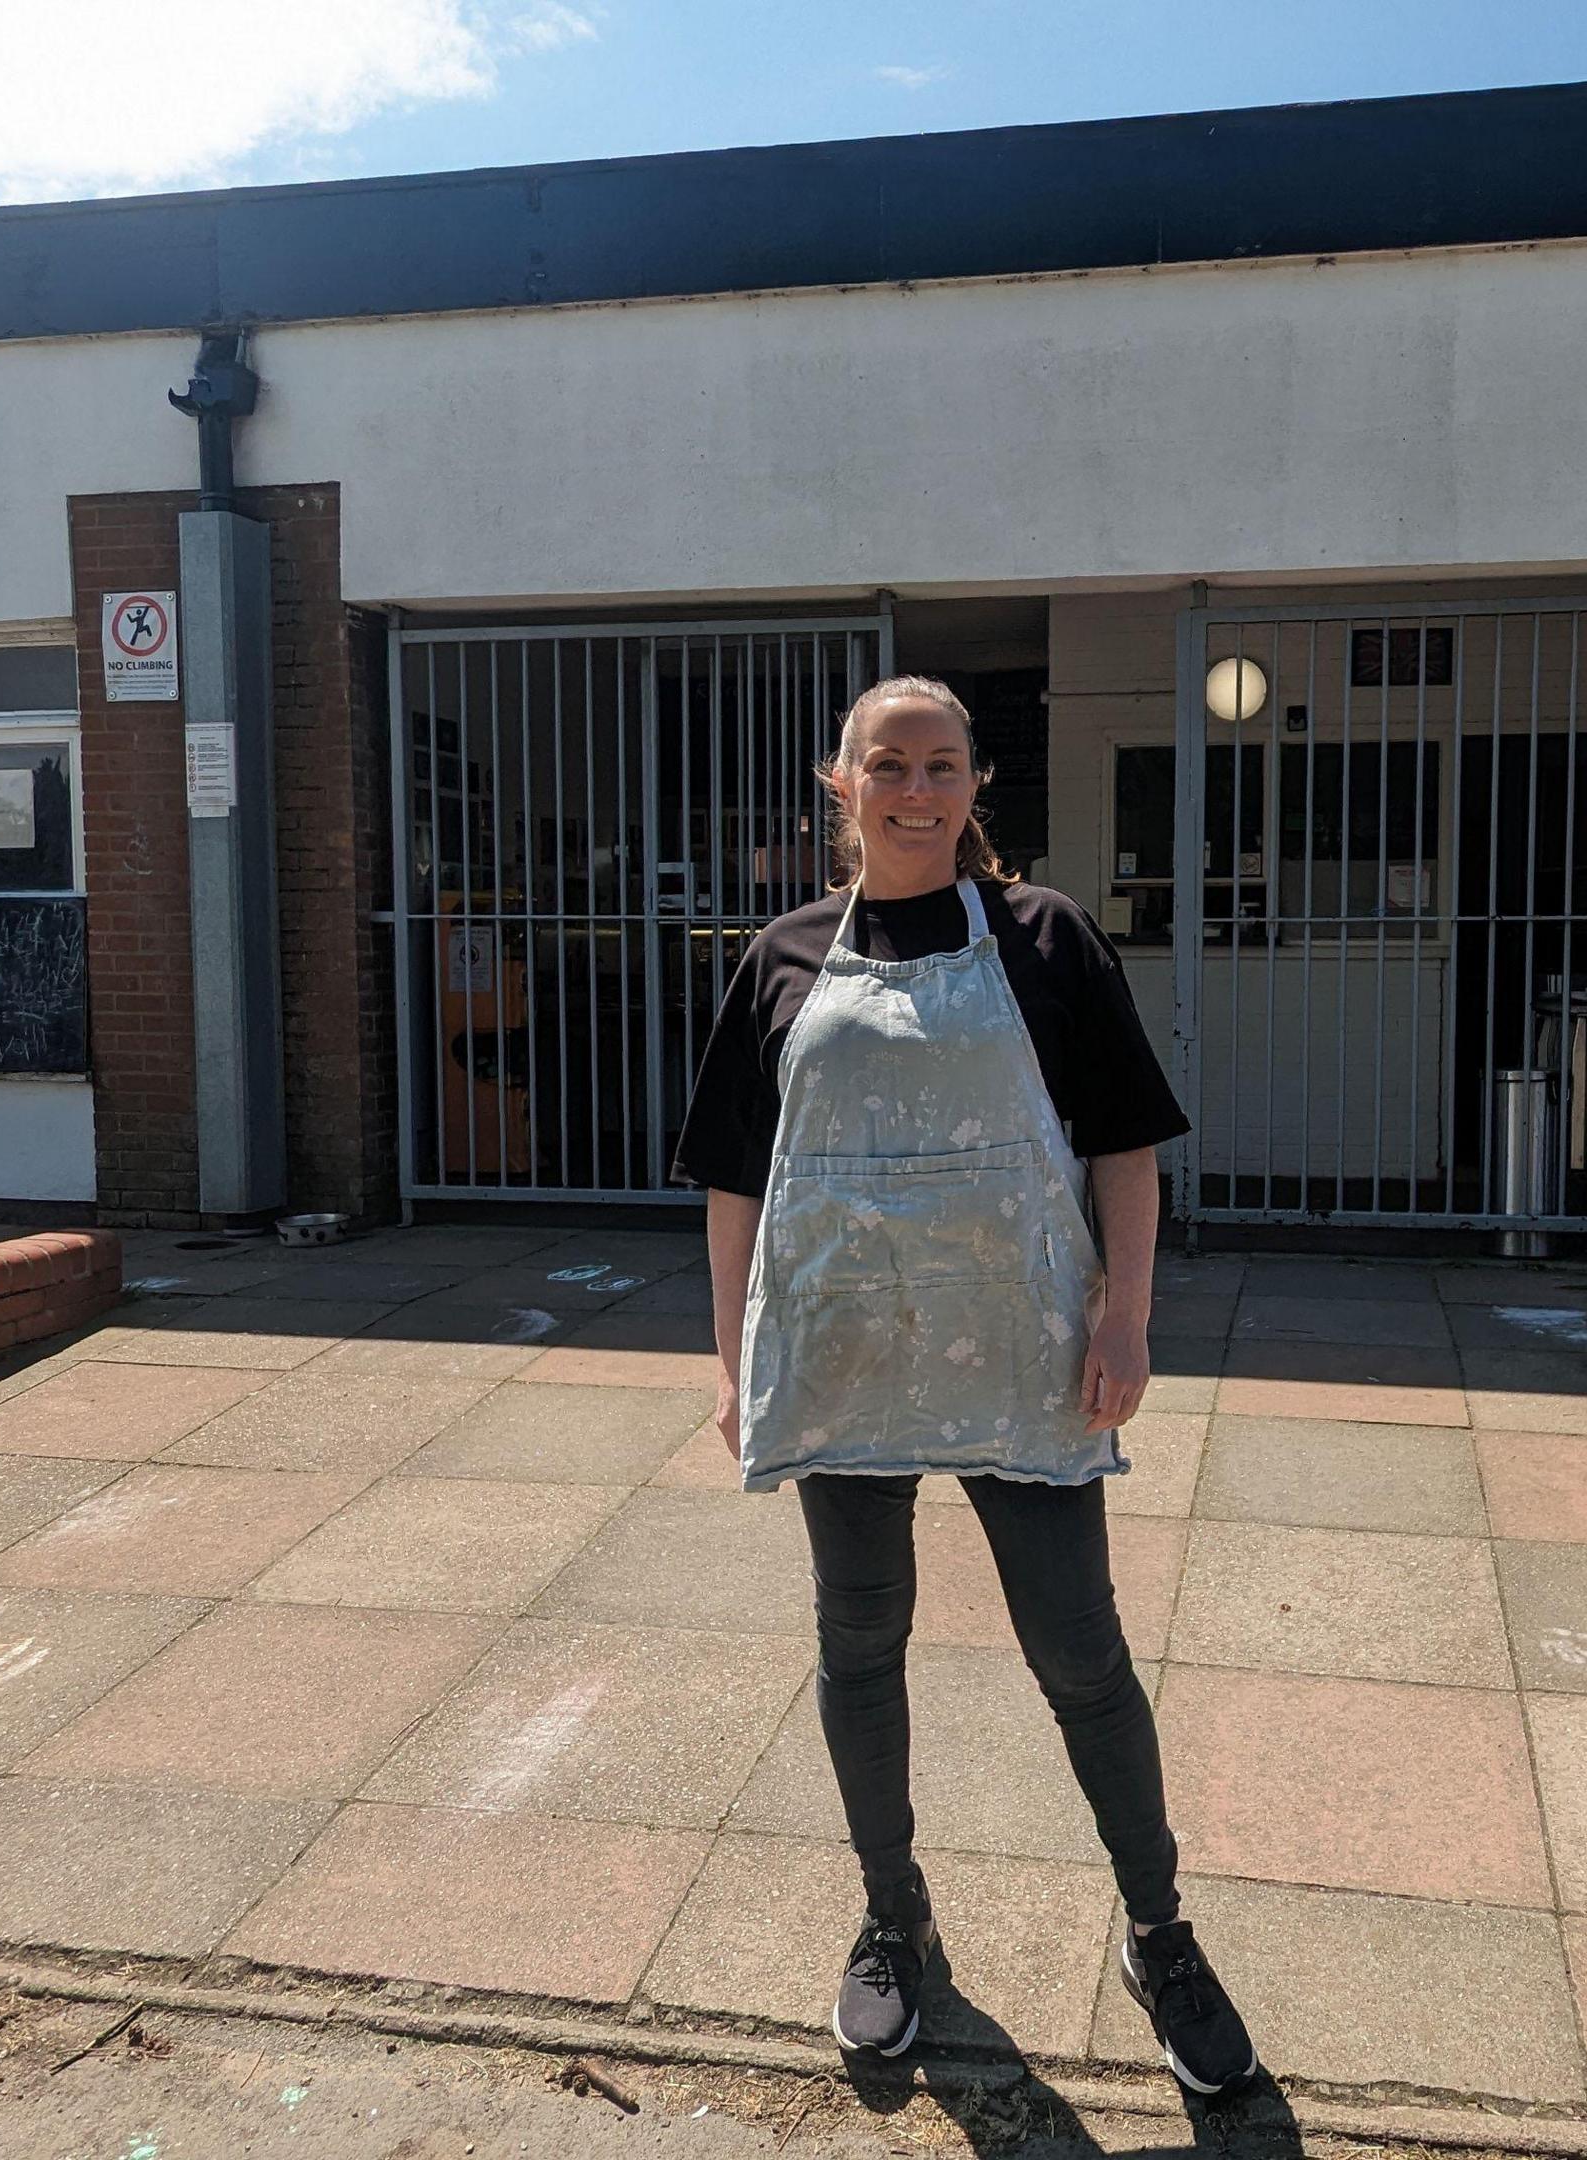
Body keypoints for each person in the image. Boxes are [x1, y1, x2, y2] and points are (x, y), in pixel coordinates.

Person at [674, 674, 1259, 2095]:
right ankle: (894, 1921)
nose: (916, 790)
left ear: (973, 783)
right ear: (842, 781)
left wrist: (1126, 1313)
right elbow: (736, 1180)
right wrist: (734, 1354)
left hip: (1024, 1352)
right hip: (848, 1354)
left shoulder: (1047, 938)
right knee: (859, 1644)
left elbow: (1124, 1145)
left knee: (1082, 1655)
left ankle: (1158, 1929)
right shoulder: (782, 955)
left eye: (941, 766)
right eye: (891, 764)